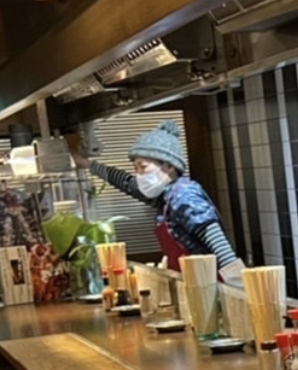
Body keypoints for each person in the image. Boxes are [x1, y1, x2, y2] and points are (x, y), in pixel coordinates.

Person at [86, 120, 245, 281]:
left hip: (208, 283)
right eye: (136, 168)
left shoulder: (184, 196)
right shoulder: (164, 194)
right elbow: (127, 184)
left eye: (143, 167)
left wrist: (239, 285)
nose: (139, 175)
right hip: (190, 281)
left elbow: (219, 244)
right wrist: (88, 165)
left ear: (169, 166)